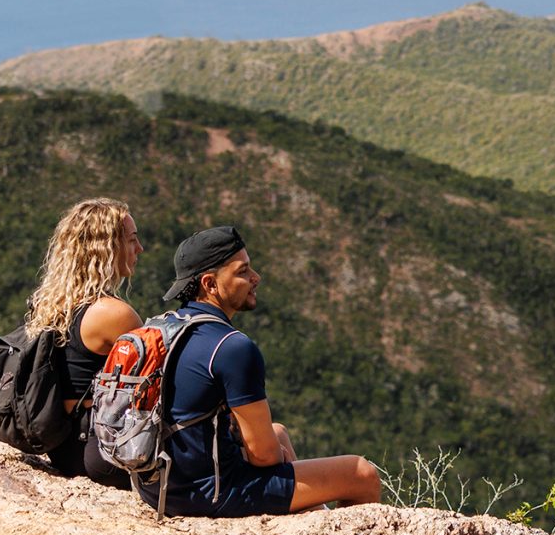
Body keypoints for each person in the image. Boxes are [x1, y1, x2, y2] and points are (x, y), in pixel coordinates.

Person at [153, 225, 381, 517]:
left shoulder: (163, 328)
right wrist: (276, 459)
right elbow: (264, 456)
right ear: (210, 284)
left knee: (278, 433)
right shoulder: (231, 347)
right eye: (243, 271)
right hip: (209, 494)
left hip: (160, 486)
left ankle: (319, 522)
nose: (255, 278)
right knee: (360, 473)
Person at [22, 196, 139, 489]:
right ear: (108, 249)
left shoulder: (54, 305)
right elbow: (158, 381)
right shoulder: (113, 314)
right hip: (103, 452)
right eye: (132, 240)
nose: (139, 249)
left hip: (65, 449)